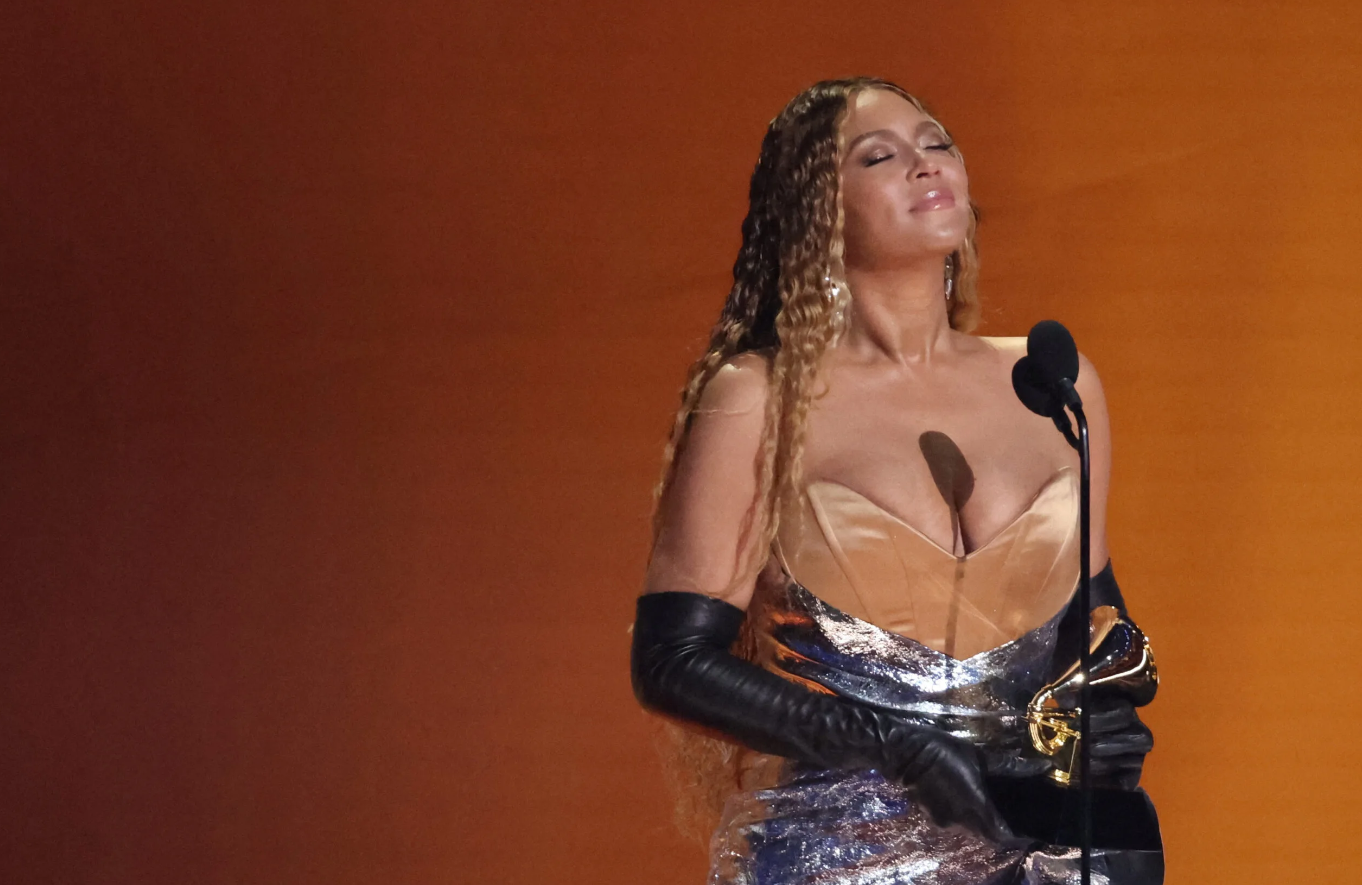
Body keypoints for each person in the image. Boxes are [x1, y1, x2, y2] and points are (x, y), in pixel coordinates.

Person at [630, 77, 1162, 884]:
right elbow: (672, 659)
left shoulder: (1053, 381)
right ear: (819, 213)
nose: (925, 163)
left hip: (1044, 848)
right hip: (845, 854)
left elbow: (1096, 621)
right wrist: (895, 745)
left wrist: (1109, 711)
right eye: (880, 156)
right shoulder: (761, 399)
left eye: (937, 143)